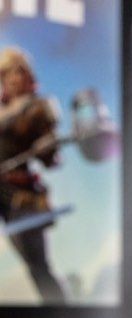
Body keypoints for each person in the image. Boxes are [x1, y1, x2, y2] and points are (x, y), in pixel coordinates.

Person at [0, 47, 67, 303]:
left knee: (37, 267)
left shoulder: (37, 107)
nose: (12, 79)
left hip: (20, 196)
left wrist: (47, 147)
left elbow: (52, 158)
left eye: (17, 72)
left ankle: (58, 311)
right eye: (7, 74)